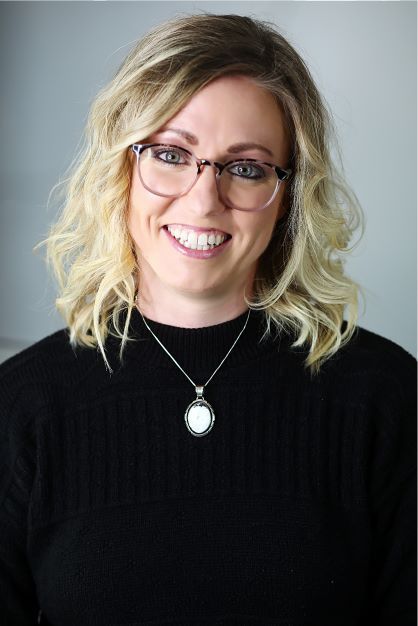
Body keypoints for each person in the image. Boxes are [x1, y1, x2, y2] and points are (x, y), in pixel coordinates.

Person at [0, 13, 416, 625]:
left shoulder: (387, 397)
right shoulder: (22, 406)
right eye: (170, 154)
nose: (203, 199)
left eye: (245, 167)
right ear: (121, 170)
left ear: (289, 196)